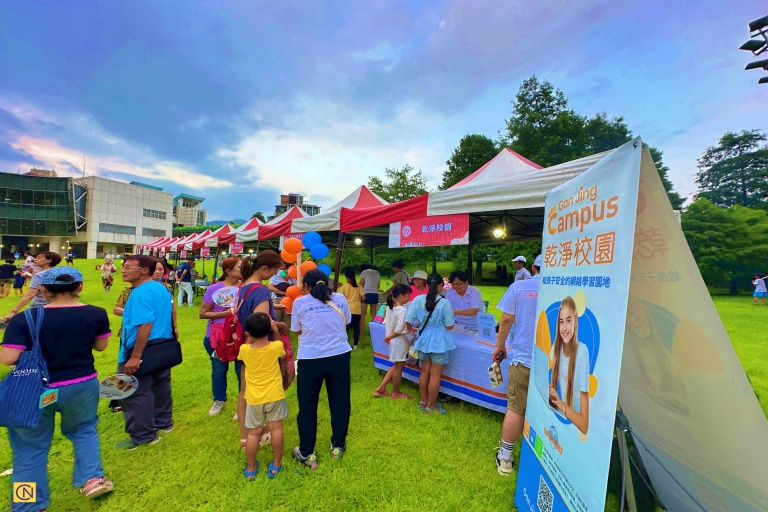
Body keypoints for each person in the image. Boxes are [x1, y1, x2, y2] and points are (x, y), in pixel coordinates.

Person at [0, 267, 115, 510]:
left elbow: (8, 358)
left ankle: (27, 504)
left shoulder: (25, 319)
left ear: (43, 288)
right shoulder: (96, 314)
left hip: (33, 390)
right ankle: (93, 479)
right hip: (81, 385)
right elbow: (101, 346)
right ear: (80, 287)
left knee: (28, 450)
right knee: (84, 430)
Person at [291, 269, 352, 469]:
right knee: (340, 401)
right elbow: (348, 322)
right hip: (340, 356)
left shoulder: (300, 302)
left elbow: (297, 329)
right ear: (326, 283)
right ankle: (338, 447)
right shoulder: (340, 298)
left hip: (310, 359)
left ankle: (307, 453)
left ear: (306, 286)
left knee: (307, 405)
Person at [115, 255, 175, 449]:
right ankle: (164, 423)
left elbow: (145, 324)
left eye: (128, 267)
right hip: (161, 347)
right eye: (123, 266)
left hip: (140, 350)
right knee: (160, 386)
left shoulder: (140, 293)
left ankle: (144, 435)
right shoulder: (160, 288)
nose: (123, 270)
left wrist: (134, 357)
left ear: (143, 270)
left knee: (133, 392)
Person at [236, 250, 290, 448]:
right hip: (259, 349)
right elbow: (261, 321)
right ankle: (258, 431)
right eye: (275, 269)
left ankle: (245, 435)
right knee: (260, 391)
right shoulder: (260, 290)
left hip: (245, 346)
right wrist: (278, 325)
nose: (275, 273)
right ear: (264, 268)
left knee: (244, 390)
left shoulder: (243, 285)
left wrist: (274, 309)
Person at [492, 255, 540, 476]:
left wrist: (499, 345)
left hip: (524, 359)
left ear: (533, 267)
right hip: (557, 365)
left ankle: (506, 457)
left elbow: (505, 320)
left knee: (516, 407)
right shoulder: (566, 286)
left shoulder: (520, 287)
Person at [238, 312, 288, 480]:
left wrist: (250, 336)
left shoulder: (244, 350)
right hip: (275, 395)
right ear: (269, 329)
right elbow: (281, 346)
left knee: (253, 433)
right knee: (276, 429)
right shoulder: (275, 347)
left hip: (254, 398)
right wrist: (275, 329)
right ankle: (276, 464)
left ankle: (251, 468)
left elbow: (246, 348)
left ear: (248, 333)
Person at [406, 273, 455, 415]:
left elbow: (409, 319)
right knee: (435, 375)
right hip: (440, 341)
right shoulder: (445, 303)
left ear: (427, 285)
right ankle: (431, 407)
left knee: (425, 371)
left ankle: (423, 402)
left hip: (424, 338)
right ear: (441, 286)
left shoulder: (418, 300)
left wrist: (410, 330)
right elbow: (450, 325)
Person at [199, 257, 243, 416]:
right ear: (228, 271)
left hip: (239, 335)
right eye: (239, 267)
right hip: (216, 336)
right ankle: (219, 401)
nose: (243, 269)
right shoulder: (214, 289)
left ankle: (242, 405)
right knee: (218, 369)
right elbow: (202, 313)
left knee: (241, 371)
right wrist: (224, 313)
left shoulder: (245, 287)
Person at [548, 296, 590, 435]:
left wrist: (560, 404)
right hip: (563, 422)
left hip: (575, 429)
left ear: (575, 322)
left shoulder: (582, 352)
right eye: (561, 322)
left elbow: (584, 426)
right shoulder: (556, 348)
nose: (564, 328)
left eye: (568, 320)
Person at [373, 284, 413, 399]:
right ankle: (396, 392)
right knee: (399, 367)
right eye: (407, 295)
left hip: (393, 341)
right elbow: (400, 328)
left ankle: (382, 387)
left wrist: (389, 336)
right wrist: (391, 336)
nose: (408, 298)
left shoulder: (390, 308)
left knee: (397, 365)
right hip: (398, 340)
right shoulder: (402, 310)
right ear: (401, 296)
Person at [1, 251, 62, 326]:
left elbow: (30, 295)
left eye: (39, 258)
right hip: (57, 309)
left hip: (38, 309)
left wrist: (13, 312)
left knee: (10, 324)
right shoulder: (60, 273)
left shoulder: (39, 275)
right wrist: (32, 277)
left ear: (49, 260)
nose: (35, 260)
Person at [339, 269, 364, 350]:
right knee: (356, 327)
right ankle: (355, 345)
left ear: (347, 278)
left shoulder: (344, 287)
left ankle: (342, 340)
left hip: (348, 309)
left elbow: (340, 298)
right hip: (357, 309)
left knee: (346, 326)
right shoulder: (359, 286)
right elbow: (364, 297)